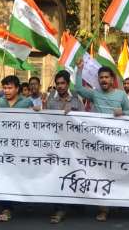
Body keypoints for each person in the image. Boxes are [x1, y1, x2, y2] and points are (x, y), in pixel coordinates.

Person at [75, 58, 129, 222]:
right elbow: (78, 88)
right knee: (101, 173)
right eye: (101, 77)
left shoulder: (121, 95)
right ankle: (103, 208)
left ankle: (119, 200)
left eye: (107, 77)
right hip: (99, 143)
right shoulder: (94, 94)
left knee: (117, 172)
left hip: (117, 142)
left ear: (112, 79)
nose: (103, 80)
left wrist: (123, 113)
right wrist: (80, 70)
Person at [45, 70, 84, 224]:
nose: (60, 86)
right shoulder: (50, 98)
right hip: (55, 144)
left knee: (73, 173)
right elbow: (45, 118)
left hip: (73, 145)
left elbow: (83, 118)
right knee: (58, 174)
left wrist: (72, 111)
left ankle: (75, 202)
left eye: (63, 83)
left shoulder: (76, 98)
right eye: (58, 83)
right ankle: (59, 208)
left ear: (68, 84)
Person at [0, 75, 33, 222]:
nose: (7, 90)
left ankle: (26, 200)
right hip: (4, 147)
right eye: (5, 88)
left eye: (10, 88)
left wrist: (37, 111)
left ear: (17, 89)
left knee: (23, 175)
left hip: (22, 147)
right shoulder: (0, 102)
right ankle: (7, 207)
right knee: (5, 175)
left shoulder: (27, 102)